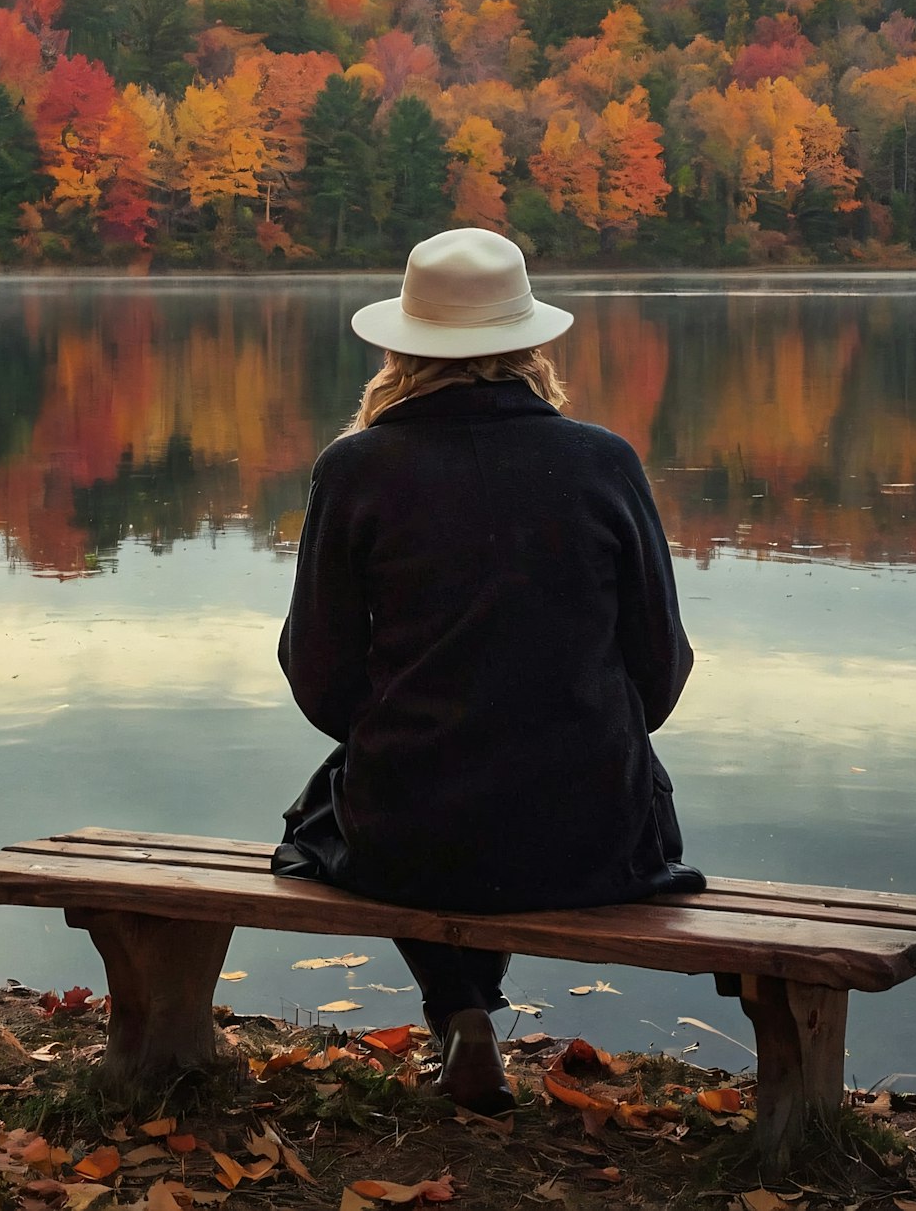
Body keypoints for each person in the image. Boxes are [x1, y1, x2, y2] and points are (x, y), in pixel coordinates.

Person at [272, 228, 701, 1113]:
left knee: (376, 794)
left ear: (401, 345)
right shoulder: (603, 461)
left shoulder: (355, 468)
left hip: (412, 831)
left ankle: (459, 1009)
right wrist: (574, 723)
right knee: (517, 776)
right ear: (532, 343)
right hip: (590, 833)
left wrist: (408, 723)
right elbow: (663, 666)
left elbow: (316, 675)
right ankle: (467, 1004)